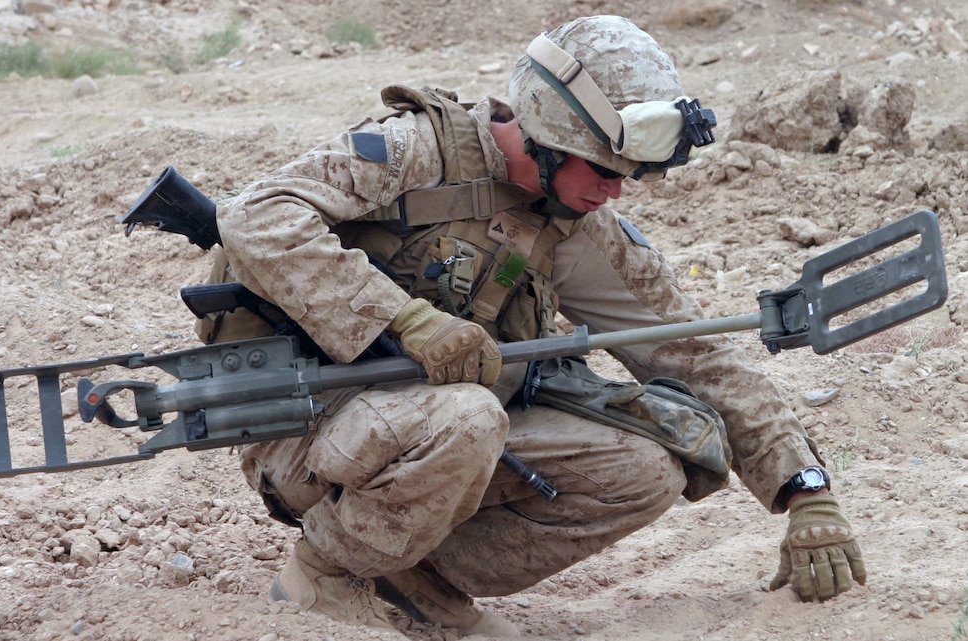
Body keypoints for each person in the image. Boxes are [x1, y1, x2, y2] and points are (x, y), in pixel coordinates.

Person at [195, 15, 867, 638]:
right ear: (551, 136)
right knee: (467, 418)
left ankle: (406, 573)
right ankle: (324, 573)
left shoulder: (576, 225)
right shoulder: (414, 151)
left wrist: (805, 490)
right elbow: (255, 213)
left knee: (645, 467)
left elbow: (689, 349)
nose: (614, 190)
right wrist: (405, 318)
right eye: (602, 168)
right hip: (308, 428)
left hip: (435, 435)